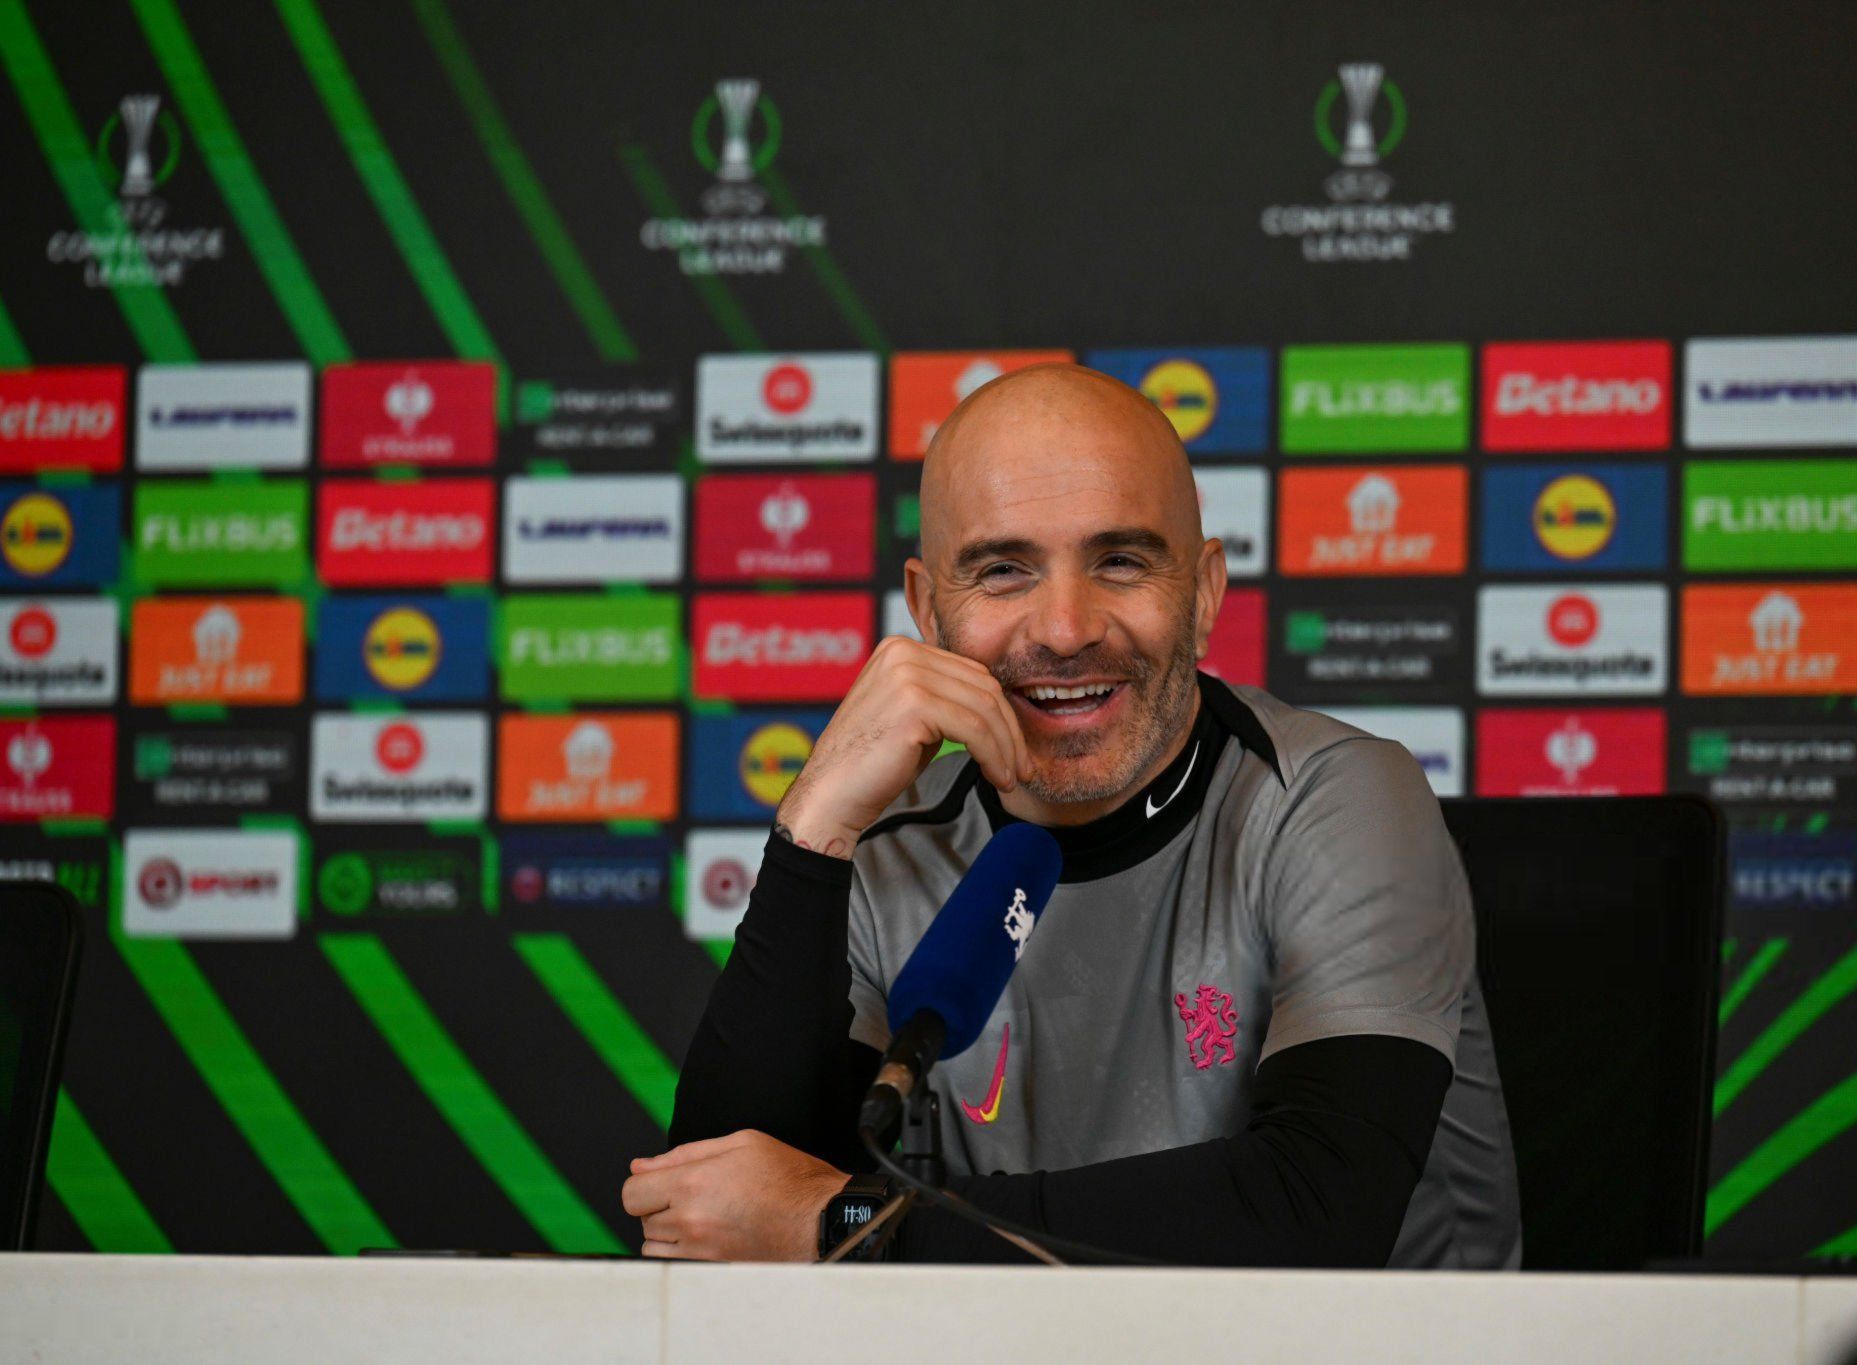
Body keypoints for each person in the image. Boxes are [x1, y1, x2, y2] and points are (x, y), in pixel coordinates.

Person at [621, 364, 1519, 1266]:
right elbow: (713, 1219)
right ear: (929, 609)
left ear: (1203, 595)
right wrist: (812, 830)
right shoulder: (885, 845)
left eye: (1120, 560)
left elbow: (1315, 1211)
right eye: (1003, 570)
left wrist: (843, 1225)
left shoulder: (1337, 797)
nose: (1062, 627)